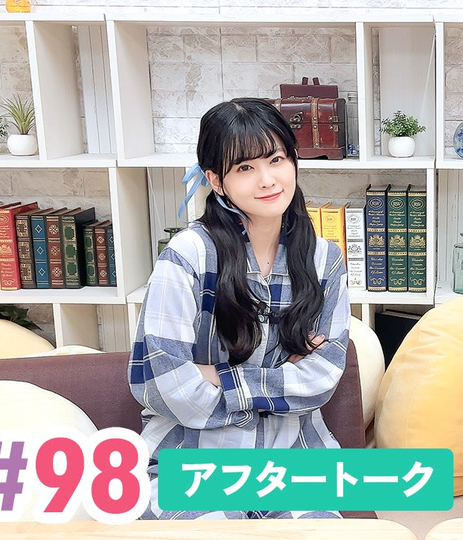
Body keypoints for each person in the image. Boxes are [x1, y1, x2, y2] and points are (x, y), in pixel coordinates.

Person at [128, 97, 350, 519]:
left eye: (276, 160)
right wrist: (281, 379)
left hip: (295, 460)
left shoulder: (325, 260)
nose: (267, 180)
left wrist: (215, 376)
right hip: (191, 460)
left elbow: (322, 378)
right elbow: (162, 385)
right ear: (216, 180)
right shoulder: (188, 255)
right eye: (245, 168)